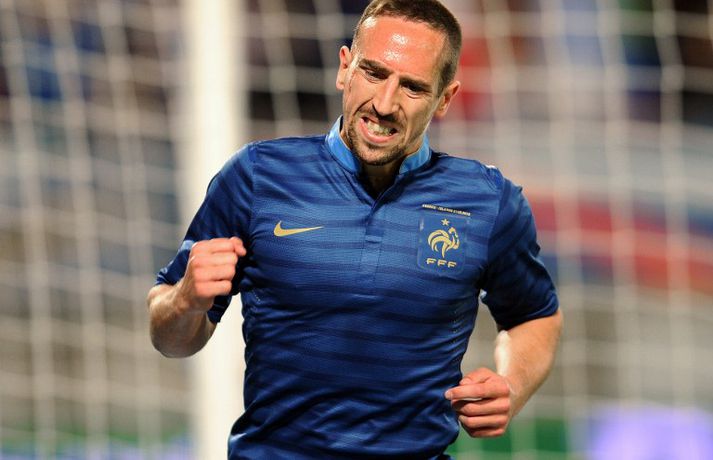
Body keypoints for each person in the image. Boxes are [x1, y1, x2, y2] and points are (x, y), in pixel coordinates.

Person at [147, 0, 562, 458]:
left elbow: (535, 316)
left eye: (413, 87)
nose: (384, 104)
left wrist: (511, 385)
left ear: (445, 98)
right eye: (374, 73)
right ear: (345, 68)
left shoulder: (487, 200)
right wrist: (185, 299)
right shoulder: (257, 176)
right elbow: (170, 339)